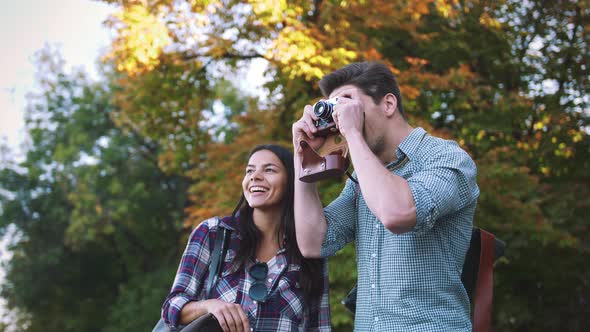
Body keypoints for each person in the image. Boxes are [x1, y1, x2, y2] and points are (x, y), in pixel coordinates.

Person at [292, 62, 479, 331]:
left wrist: (353, 133)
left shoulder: (447, 158)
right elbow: (313, 243)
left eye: (348, 104)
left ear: (388, 104)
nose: (341, 120)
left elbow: (397, 214)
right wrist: (305, 159)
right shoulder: (363, 181)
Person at [161, 144, 331, 332]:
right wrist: (210, 306)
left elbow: (320, 327)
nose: (255, 176)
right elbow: (171, 308)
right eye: (250, 170)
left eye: (269, 170)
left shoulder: (309, 247)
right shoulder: (214, 233)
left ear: (291, 181)